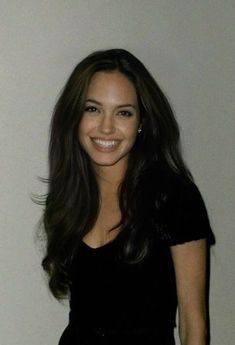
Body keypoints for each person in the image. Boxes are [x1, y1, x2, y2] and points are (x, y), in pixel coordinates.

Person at [40, 49, 214, 345]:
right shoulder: (69, 196)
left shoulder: (173, 196)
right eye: (93, 109)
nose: (107, 127)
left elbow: (193, 324)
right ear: (74, 116)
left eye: (123, 112)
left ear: (141, 121)